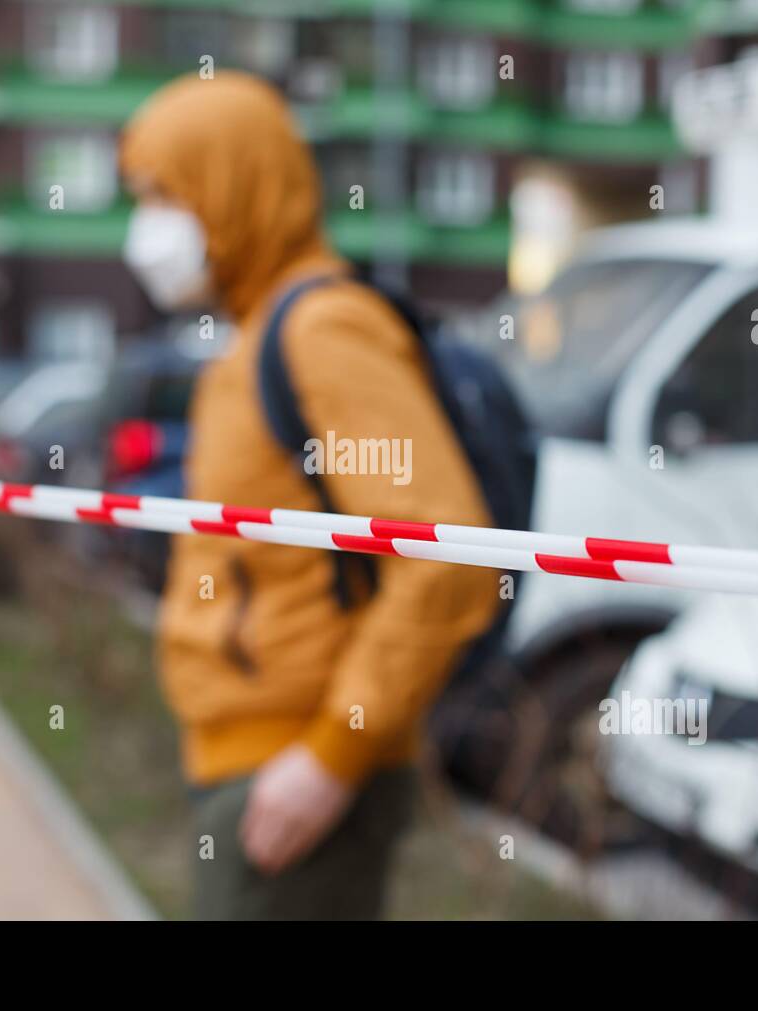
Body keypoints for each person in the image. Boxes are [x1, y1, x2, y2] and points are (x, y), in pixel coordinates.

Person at [118, 71, 499, 920]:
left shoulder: (322, 331)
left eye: (163, 196)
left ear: (234, 186)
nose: (145, 228)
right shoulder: (261, 331)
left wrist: (334, 752)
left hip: (299, 771)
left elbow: (446, 556)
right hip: (252, 759)